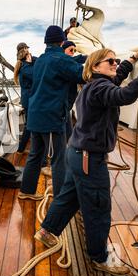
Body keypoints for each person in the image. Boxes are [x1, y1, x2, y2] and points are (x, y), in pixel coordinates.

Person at [36, 39, 138, 276]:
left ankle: (47, 231)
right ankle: (99, 258)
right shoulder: (99, 88)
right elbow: (126, 95)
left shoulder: (94, 86)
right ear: (95, 66)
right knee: (98, 208)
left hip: (76, 154)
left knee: (69, 198)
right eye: (111, 61)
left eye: (116, 60)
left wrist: (133, 59)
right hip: (89, 160)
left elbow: (117, 81)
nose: (115, 64)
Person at [18, 25, 84, 201]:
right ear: (62, 41)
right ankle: (61, 198)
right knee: (58, 159)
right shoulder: (60, 59)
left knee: (35, 155)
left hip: (35, 116)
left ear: (46, 41)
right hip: (51, 120)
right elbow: (82, 74)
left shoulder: (40, 61)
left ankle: (26, 190)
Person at [13, 42, 36, 159]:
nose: (28, 51)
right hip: (29, 100)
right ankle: (21, 150)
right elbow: (34, 75)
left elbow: (39, 61)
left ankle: (21, 150)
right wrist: (30, 62)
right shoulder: (24, 66)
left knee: (29, 125)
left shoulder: (28, 62)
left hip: (30, 99)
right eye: (26, 48)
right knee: (29, 125)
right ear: (23, 51)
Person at [62, 40, 87, 142]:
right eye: (71, 49)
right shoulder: (64, 62)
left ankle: (70, 146)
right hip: (63, 103)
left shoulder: (70, 62)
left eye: (74, 50)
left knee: (68, 129)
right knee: (66, 130)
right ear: (63, 50)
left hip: (67, 104)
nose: (73, 52)